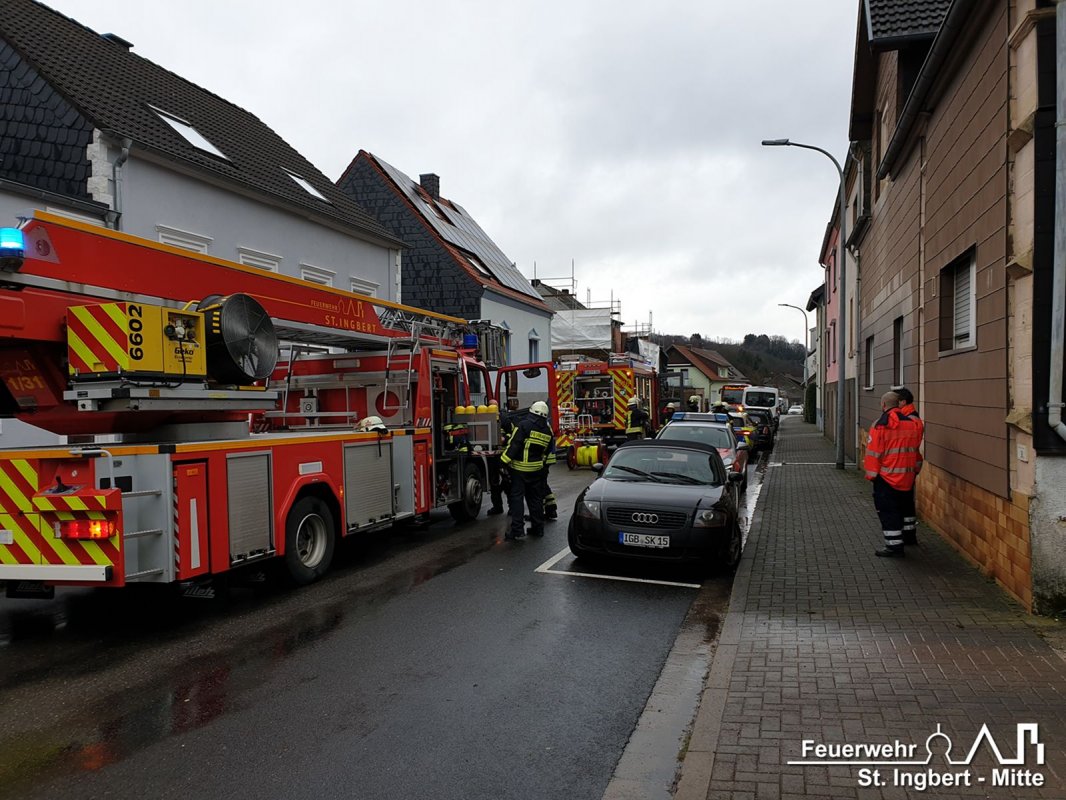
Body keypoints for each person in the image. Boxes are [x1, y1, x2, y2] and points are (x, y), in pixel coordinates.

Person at [864, 391, 923, 558]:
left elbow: (874, 454)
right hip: (908, 476)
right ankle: (908, 537)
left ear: (883, 405)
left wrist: (872, 476)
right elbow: (915, 452)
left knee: (889, 511)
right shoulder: (913, 424)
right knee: (906, 508)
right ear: (899, 404)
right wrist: (915, 470)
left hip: (886, 477)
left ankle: (894, 546)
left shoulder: (880, 425)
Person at [500, 400, 555, 539]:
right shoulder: (548, 431)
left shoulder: (524, 425)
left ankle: (517, 531)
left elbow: (514, 445)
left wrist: (502, 462)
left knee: (517, 499)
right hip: (536, 471)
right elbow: (547, 452)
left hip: (519, 470)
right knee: (535, 500)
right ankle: (538, 529)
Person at [892, 386, 924, 546]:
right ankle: (908, 534)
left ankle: (908, 536)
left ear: (903, 402)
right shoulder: (910, 418)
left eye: (896, 402)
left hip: (906, 467)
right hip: (908, 466)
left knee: (904, 503)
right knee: (906, 503)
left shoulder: (911, 421)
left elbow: (909, 445)